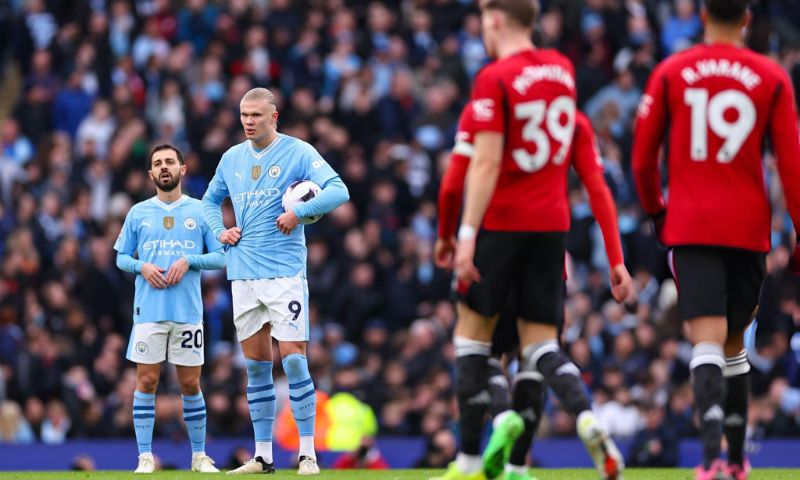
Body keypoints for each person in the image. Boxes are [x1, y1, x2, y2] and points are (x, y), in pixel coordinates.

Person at [446, 0, 633, 478]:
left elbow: (459, 178)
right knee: (539, 352)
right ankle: (536, 452)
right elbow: (599, 190)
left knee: (476, 345)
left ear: (494, 21)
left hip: (498, 233)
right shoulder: (567, 94)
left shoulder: (488, 93)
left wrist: (456, 234)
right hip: (552, 241)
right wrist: (616, 259)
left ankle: (479, 447)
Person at [632, 1, 800, 478]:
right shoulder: (771, 76)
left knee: (704, 343)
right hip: (748, 229)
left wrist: (655, 210)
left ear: (703, 16)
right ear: (746, 17)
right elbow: (792, 166)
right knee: (734, 347)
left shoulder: (672, 70)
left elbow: (644, 160)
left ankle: (710, 461)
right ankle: (736, 460)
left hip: (693, 225)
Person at [202, 87, 349, 475]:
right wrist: (221, 231)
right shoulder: (232, 158)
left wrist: (298, 213)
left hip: (284, 273)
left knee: (295, 361)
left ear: (274, 117)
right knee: (255, 367)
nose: (249, 121)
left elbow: (339, 190)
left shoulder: (298, 151)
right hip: (243, 274)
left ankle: (306, 453)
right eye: (244, 115)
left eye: (256, 115)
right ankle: (263, 455)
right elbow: (207, 202)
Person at [115, 143, 225, 474]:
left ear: (182, 169)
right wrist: (141, 267)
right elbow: (121, 257)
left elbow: (221, 256)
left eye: (170, 162)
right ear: (151, 174)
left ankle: (199, 456)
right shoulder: (138, 212)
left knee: (190, 385)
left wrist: (190, 260)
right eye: (158, 163)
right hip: (148, 311)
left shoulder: (201, 210)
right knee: (146, 381)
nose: (164, 167)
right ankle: (145, 457)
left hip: (188, 312)